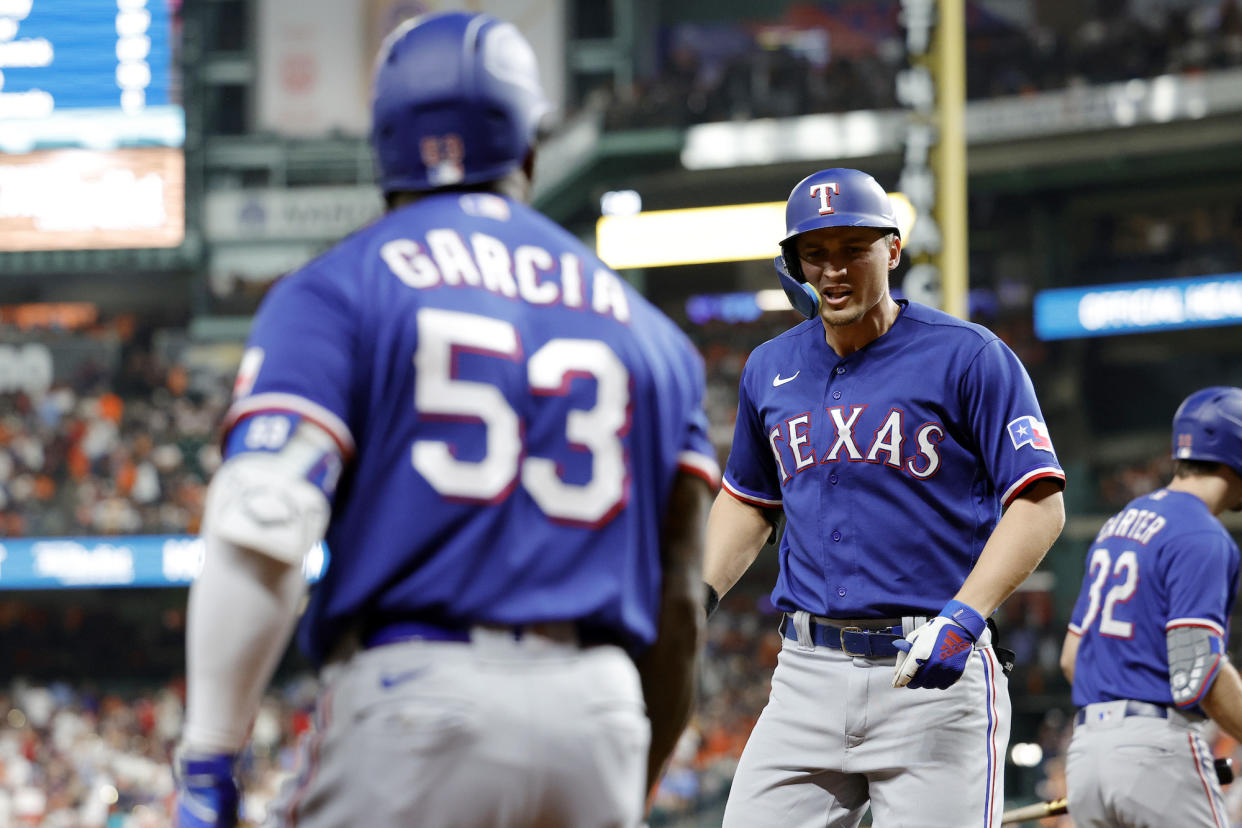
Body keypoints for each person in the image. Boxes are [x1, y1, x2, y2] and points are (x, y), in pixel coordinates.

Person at [172, 12, 719, 828]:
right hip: (598, 709)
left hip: (416, 699)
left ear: (385, 145)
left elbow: (265, 525)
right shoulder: (652, 334)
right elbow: (680, 602)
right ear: (529, 150)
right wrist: (619, 777)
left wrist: (209, 757)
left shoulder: (338, 287)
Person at [703, 167, 1067, 827]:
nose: (833, 270)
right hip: (806, 675)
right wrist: (696, 595)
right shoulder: (768, 367)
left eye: (853, 250)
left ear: (892, 251)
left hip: (933, 671)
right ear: (794, 265)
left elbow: (1039, 502)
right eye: (815, 254)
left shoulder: (969, 356)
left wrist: (968, 614)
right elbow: (750, 500)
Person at [1060, 386, 1242, 828]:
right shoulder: (1201, 533)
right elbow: (1195, 673)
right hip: (1155, 751)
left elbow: (1071, 659)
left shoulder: (1120, 521)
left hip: (1086, 755)